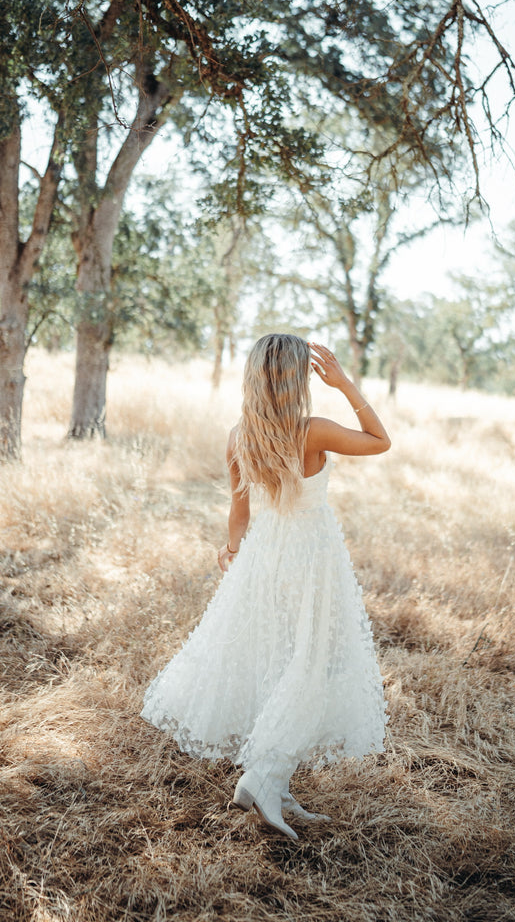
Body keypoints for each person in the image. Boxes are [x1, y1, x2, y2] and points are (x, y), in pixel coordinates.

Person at [141, 334, 390, 840]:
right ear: (299, 379)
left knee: (282, 661)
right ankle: (264, 776)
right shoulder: (313, 430)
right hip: (312, 557)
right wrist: (345, 384)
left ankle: (278, 784)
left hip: (265, 557)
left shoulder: (239, 436)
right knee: (313, 664)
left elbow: (239, 512)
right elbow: (380, 441)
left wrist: (233, 551)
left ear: (253, 378)